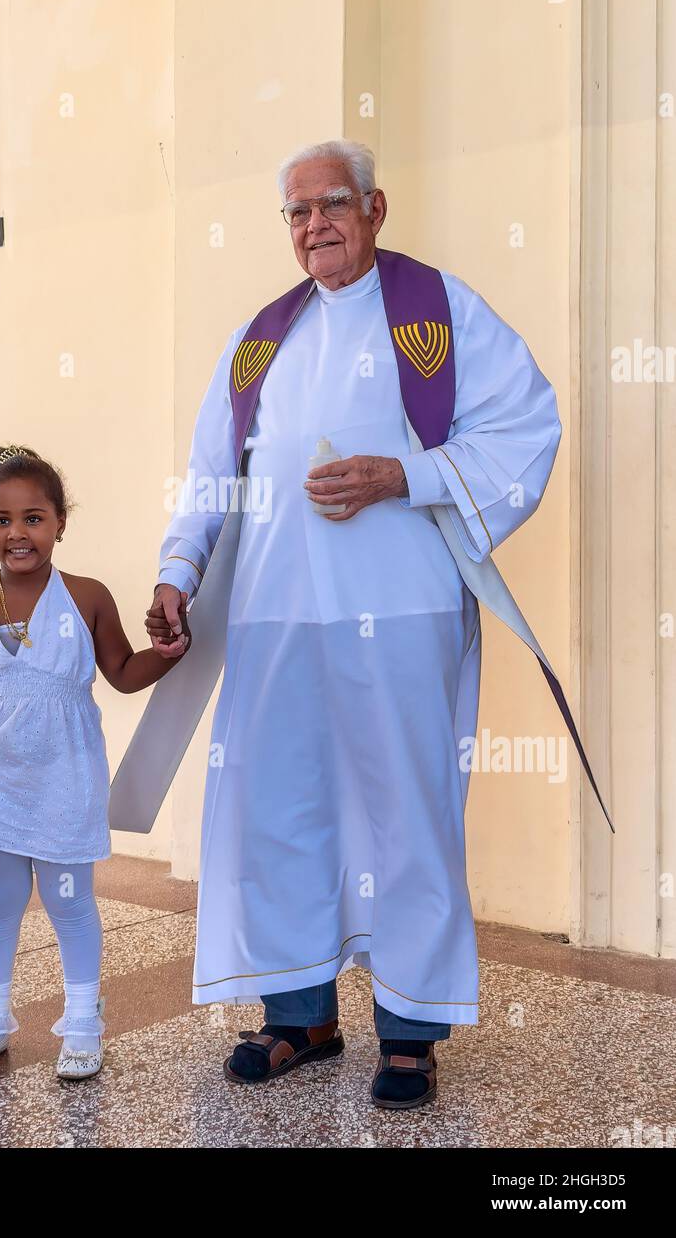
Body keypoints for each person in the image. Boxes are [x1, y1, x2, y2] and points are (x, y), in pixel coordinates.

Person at [144, 139, 562, 1109]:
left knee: (405, 814)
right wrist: (177, 568)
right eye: (296, 212)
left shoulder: (439, 311)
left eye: (332, 204)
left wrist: (401, 475)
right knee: (278, 813)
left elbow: (525, 425)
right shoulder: (260, 337)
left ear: (375, 208)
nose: (313, 225)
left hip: (400, 607)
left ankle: (409, 1033)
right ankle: (301, 1017)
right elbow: (214, 466)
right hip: (275, 615)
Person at [0, 444, 189, 1080]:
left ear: (60, 522)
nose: (17, 533)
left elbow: (121, 672)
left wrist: (166, 653)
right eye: (1, 520)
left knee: (70, 902)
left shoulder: (85, 596)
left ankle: (83, 1025)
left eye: (33, 518)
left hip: (64, 775)